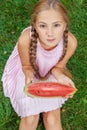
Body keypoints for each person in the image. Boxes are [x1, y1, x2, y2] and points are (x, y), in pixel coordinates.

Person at [2, 0, 77, 130]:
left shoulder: (70, 42)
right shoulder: (26, 40)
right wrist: (29, 77)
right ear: (34, 26)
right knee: (31, 118)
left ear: (65, 25)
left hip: (49, 72)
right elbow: (26, 66)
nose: (50, 33)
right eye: (43, 26)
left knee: (52, 116)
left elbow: (58, 67)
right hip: (26, 73)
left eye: (56, 25)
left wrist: (60, 77)